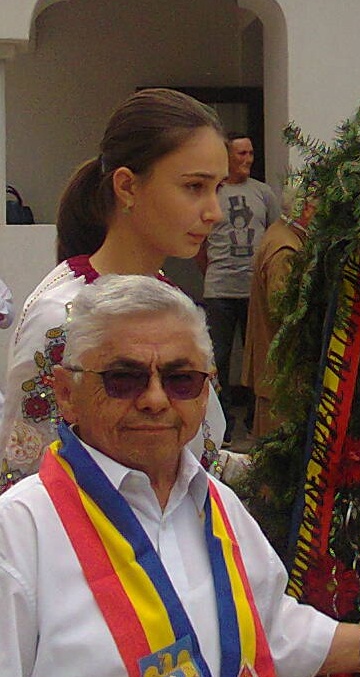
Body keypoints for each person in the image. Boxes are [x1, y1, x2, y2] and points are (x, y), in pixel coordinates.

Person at [0, 275, 360, 677]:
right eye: (124, 378)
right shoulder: (18, 533)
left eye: (181, 379)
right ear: (67, 393)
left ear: (206, 393)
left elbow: (269, 629)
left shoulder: (216, 502)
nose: (155, 400)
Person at [0, 89, 230, 494]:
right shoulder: (63, 317)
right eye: (194, 186)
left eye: (218, 189)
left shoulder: (170, 301)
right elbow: (28, 476)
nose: (214, 211)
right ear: (127, 187)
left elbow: (196, 457)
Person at [197, 133, 280, 428]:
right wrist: (213, 271)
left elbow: (274, 234)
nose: (247, 160)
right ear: (227, 156)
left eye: (250, 153)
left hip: (254, 292)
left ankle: (256, 420)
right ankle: (224, 423)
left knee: (258, 356)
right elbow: (199, 244)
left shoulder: (263, 193)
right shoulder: (213, 193)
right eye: (241, 154)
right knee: (218, 356)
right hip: (219, 289)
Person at [241, 180, 313, 438]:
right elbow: (284, 312)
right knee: (277, 442)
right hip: (282, 373)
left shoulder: (281, 233)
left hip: (277, 369)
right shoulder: (286, 249)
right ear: (305, 208)